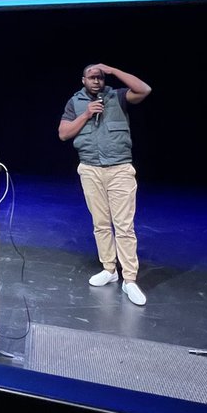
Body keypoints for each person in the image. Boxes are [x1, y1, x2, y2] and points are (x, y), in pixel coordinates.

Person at [58, 63, 152, 305]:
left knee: (123, 226)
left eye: (100, 77)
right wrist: (86, 114)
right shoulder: (75, 102)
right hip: (90, 169)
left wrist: (112, 70)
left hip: (119, 168)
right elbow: (64, 133)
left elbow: (144, 89)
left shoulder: (117, 96)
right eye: (92, 77)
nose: (96, 81)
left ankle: (129, 279)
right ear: (83, 80)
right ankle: (109, 269)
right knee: (100, 224)